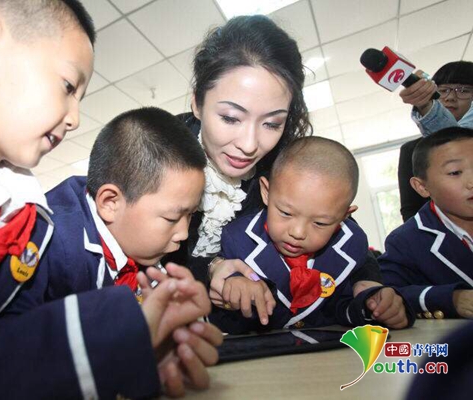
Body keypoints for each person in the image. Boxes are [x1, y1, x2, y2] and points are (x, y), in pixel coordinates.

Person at [0, 1, 214, 398]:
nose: (75, 118)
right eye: (68, 87)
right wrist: (109, 337)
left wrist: (126, 350)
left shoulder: (28, 217)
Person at [164, 15, 389, 323]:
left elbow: (334, 223)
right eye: (230, 118)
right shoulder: (157, 152)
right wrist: (212, 269)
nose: (249, 145)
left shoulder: (283, 164)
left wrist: (367, 281)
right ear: (197, 103)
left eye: (271, 123)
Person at [5, 107, 223, 394]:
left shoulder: (143, 240)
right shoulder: (46, 243)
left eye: (191, 215)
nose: (183, 233)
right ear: (110, 202)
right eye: (172, 218)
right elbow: (10, 357)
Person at [207, 137, 414, 333]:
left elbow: (341, 308)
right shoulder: (238, 239)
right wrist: (233, 293)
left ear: (344, 216)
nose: (297, 232)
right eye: (286, 213)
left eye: (320, 223)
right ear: (266, 192)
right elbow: (226, 322)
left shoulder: (352, 244)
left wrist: (373, 305)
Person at [379, 127, 473, 320]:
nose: (471, 182)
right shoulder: (406, 241)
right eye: (455, 172)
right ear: (422, 187)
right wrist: (452, 298)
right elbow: (388, 294)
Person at [398, 61, 473, 221]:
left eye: (463, 91)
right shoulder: (411, 150)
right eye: (443, 90)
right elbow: (411, 211)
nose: (451, 97)